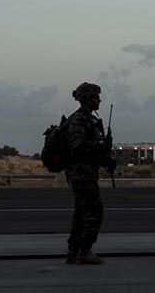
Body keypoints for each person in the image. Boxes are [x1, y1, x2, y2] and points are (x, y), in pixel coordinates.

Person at [65, 82, 115, 265]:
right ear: (87, 99)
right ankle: (84, 250)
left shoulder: (88, 119)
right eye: (96, 97)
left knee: (81, 213)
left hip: (85, 172)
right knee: (94, 210)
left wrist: (106, 159)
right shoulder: (79, 120)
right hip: (82, 173)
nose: (99, 100)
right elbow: (78, 147)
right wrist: (100, 146)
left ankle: (74, 252)